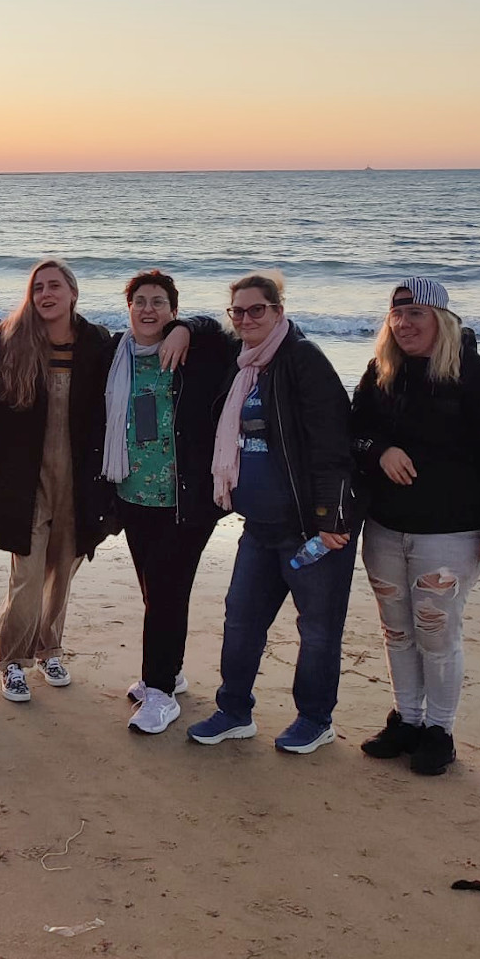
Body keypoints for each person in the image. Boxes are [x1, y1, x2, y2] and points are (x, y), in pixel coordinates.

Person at [351, 277, 480, 775]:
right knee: (396, 630)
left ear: (441, 320)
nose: (404, 324)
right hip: (385, 527)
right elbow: (352, 431)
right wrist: (380, 451)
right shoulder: (381, 372)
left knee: (436, 632)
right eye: (397, 314)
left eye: (417, 314)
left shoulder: (477, 376)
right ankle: (407, 720)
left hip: (451, 533)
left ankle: (439, 731)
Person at [188, 271, 359, 754]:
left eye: (257, 310)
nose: (246, 319)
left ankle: (315, 720)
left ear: (278, 311)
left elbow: (333, 443)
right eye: (237, 312)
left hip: (310, 531)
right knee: (241, 621)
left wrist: (332, 519)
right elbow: (202, 329)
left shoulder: (302, 359)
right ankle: (234, 712)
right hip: (260, 529)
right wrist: (183, 327)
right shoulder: (244, 364)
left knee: (318, 630)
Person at [0, 258, 115, 703]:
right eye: (38, 288)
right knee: (27, 574)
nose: (45, 294)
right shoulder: (11, 339)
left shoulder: (97, 342)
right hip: (25, 477)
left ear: (73, 293)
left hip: (78, 478)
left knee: (63, 571)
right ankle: (12, 662)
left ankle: (49, 649)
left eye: (54, 286)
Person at [102, 271, 234, 735]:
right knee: (156, 591)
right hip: (134, 494)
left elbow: (224, 330)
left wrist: (188, 329)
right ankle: (170, 672)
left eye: (159, 302)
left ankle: (159, 692)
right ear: (129, 308)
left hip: (186, 499)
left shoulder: (196, 351)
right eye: (140, 301)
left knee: (165, 592)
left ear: (173, 310)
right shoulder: (117, 354)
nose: (148, 309)